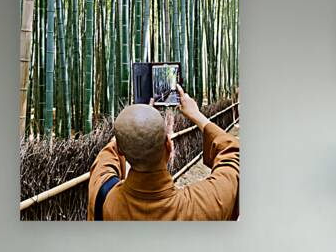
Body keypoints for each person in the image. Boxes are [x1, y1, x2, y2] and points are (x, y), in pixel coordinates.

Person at [88, 86, 239, 221]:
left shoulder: (104, 194)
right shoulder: (203, 205)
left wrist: (137, 124)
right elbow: (233, 154)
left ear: (121, 150)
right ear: (169, 145)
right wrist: (196, 114)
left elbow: (108, 154)